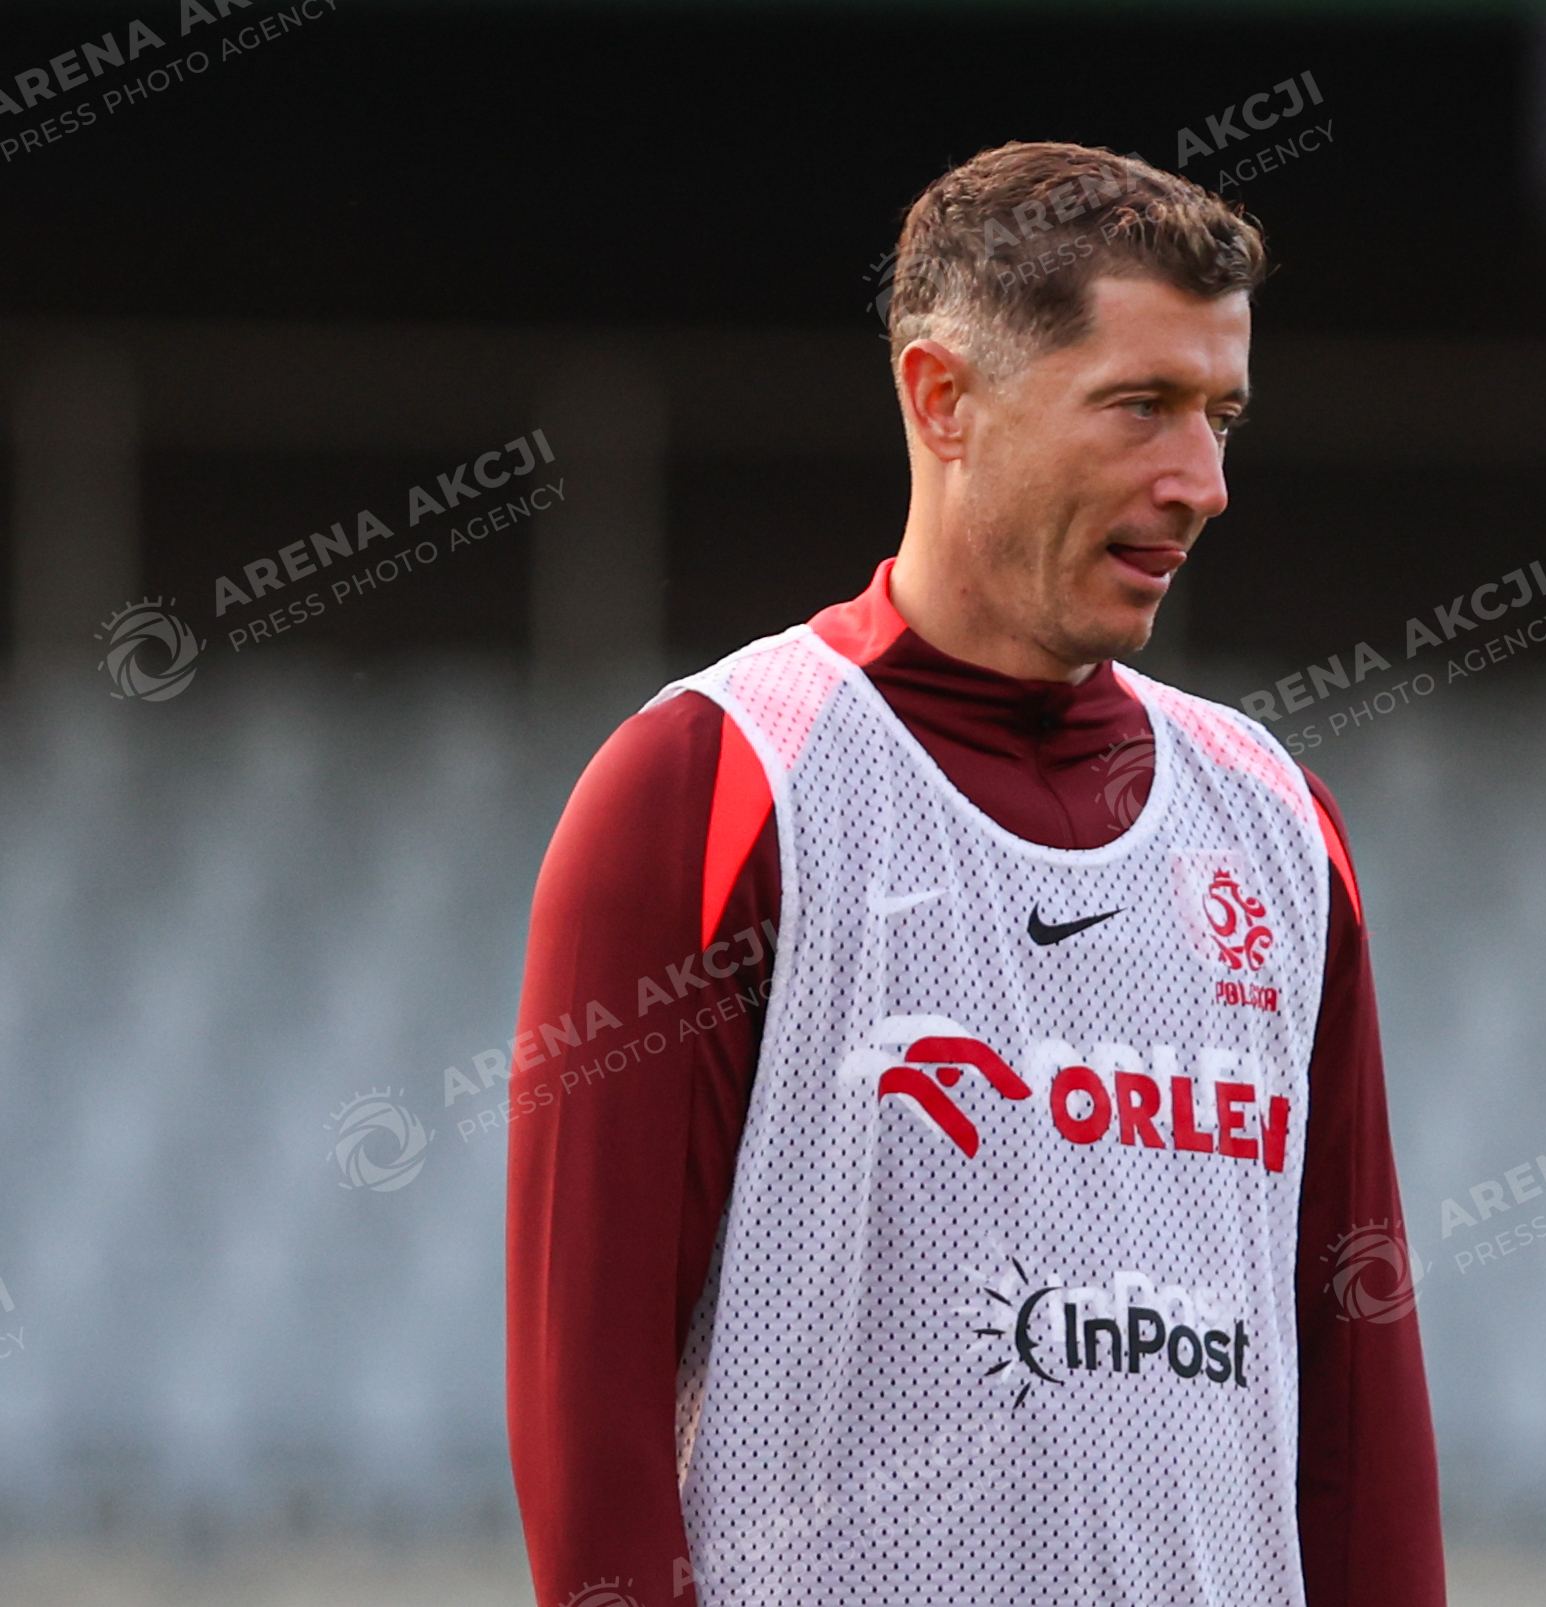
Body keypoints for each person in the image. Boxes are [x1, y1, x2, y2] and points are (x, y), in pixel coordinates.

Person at [506, 139, 1444, 1606]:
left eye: (1221, 417)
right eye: (1140, 405)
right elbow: (590, 1419)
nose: (1202, 483)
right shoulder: (712, 784)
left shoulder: (1275, 820)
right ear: (943, 398)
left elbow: (1357, 1398)